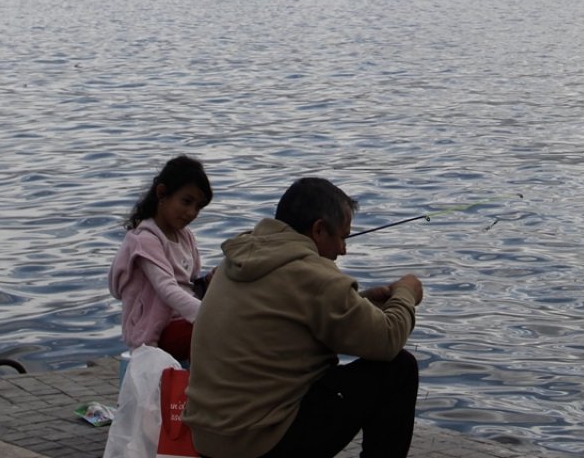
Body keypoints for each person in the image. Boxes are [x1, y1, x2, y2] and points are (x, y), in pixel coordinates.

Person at [184, 177, 423, 458]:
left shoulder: (239, 259)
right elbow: (386, 340)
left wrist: (363, 302)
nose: (344, 250)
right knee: (398, 369)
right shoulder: (313, 275)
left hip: (207, 439)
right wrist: (406, 293)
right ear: (319, 230)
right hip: (260, 444)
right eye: (342, 237)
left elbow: (295, 316)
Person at [108, 155, 213, 363]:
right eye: (186, 202)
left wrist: (214, 281)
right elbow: (167, 289)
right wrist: (210, 316)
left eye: (198, 207)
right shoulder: (145, 240)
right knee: (214, 333)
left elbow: (189, 284)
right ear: (162, 194)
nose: (191, 212)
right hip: (154, 331)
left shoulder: (185, 236)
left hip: (183, 321)